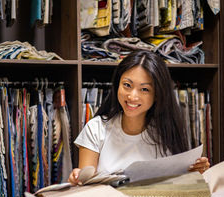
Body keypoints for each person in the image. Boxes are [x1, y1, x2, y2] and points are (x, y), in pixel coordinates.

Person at [68, 50, 210, 185]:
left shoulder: (167, 132)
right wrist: (77, 178)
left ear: (157, 95)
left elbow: (180, 184)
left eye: (144, 89)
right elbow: (85, 185)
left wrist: (197, 171)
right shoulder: (96, 129)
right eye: (127, 85)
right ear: (117, 84)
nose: (132, 96)